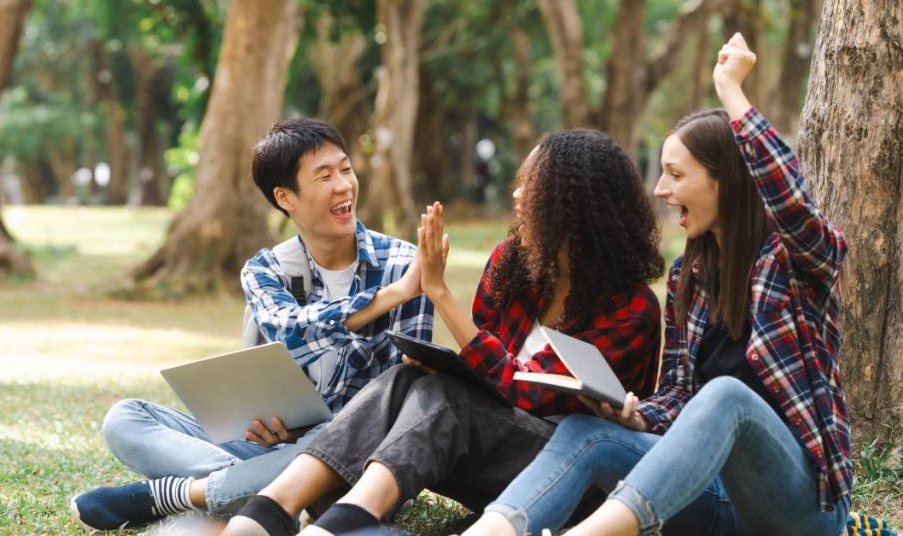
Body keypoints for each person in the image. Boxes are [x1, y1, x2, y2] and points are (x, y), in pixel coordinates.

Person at [463, 33, 852, 536]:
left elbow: (792, 201)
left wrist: (730, 90)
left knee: (727, 396)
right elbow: (677, 394)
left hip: (802, 511)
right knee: (590, 431)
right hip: (712, 500)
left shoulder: (796, 260)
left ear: (724, 180)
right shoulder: (687, 277)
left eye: (675, 174)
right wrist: (636, 416)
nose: (660, 190)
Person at [223, 128, 667, 536]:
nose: (517, 195)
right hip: (489, 458)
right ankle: (275, 507)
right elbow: (490, 375)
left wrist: (438, 293)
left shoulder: (631, 309)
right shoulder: (514, 266)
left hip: (568, 475)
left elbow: (530, 393)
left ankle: (342, 521)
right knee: (407, 378)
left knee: (448, 398)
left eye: (532, 187)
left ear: (573, 207)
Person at [69, 118, 434, 531]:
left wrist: (402, 289)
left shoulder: (404, 265)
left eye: (346, 169)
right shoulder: (267, 270)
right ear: (286, 197)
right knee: (125, 417)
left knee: (339, 435)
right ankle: (272, 500)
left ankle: (180, 495)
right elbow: (290, 329)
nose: (344, 185)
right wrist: (265, 426)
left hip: (355, 461)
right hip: (268, 451)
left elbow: (399, 399)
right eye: (325, 176)